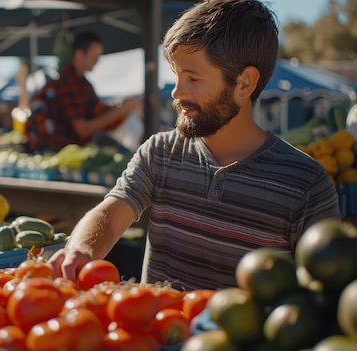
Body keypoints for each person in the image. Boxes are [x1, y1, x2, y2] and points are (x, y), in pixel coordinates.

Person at [49, 0, 341, 291]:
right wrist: (82, 249)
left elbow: (321, 296)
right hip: (158, 333)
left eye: (193, 78)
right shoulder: (160, 152)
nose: (177, 92)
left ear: (244, 84)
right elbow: (110, 215)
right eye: (177, 75)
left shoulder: (307, 184)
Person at [25, 31, 142, 153]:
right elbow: (82, 129)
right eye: (94, 56)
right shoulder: (68, 84)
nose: (97, 61)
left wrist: (122, 107)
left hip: (70, 155)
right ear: (80, 54)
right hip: (58, 156)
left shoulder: (84, 85)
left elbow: (98, 114)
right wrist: (122, 109)